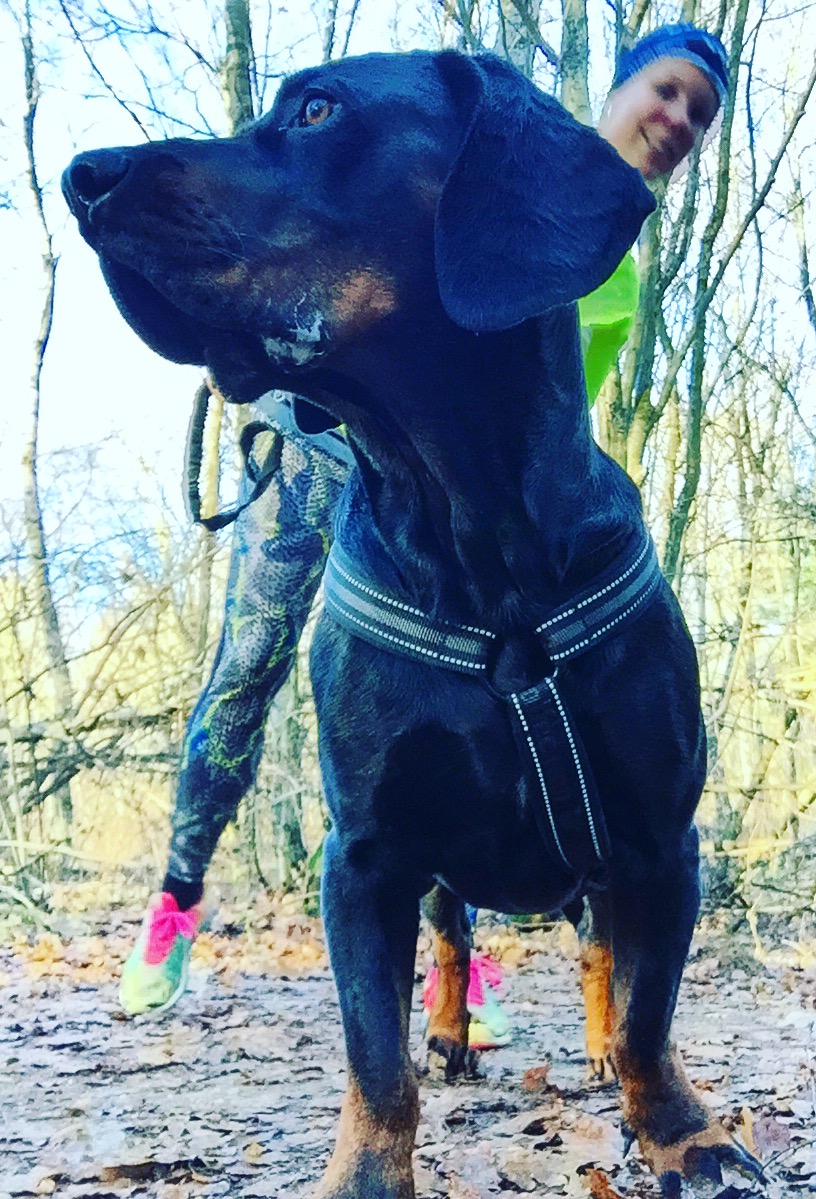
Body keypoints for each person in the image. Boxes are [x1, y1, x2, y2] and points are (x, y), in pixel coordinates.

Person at [118, 22, 729, 1022]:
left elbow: (552, 410)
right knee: (253, 658)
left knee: (499, 682)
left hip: (463, 492)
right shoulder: (491, 151)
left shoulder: (616, 253)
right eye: (667, 89)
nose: (679, 118)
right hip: (325, 450)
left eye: (699, 114)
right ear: (622, 87)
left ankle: (463, 952)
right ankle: (177, 896)